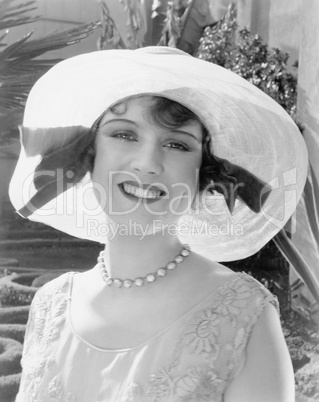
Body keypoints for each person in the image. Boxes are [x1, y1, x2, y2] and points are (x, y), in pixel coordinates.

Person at [9, 46, 308, 402]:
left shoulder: (244, 314)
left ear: (204, 175)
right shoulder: (49, 305)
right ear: (88, 155)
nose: (148, 163)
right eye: (124, 135)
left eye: (177, 144)